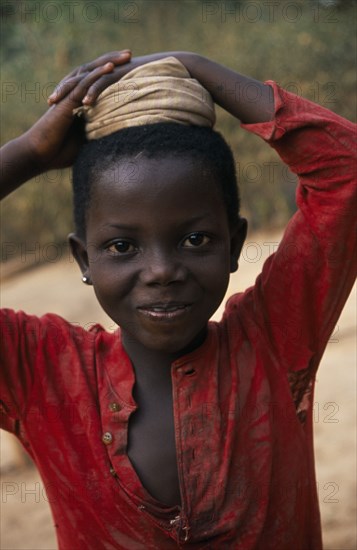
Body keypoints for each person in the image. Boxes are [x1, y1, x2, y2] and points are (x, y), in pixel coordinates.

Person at [0, 50, 355, 549]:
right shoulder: (41, 372)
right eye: (122, 246)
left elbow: (347, 173)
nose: (162, 271)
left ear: (233, 244)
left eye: (194, 240)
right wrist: (30, 152)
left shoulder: (275, 340)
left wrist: (196, 66)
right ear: (84, 259)